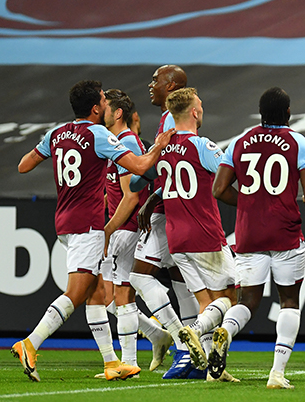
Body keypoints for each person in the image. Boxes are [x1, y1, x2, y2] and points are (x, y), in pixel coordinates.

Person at [12, 80, 175, 382]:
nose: (105, 102)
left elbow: (23, 166)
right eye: (102, 98)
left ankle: (112, 363)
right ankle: (30, 343)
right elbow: (139, 166)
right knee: (77, 293)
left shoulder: (56, 134)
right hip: (88, 224)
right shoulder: (98, 134)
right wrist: (159, 148)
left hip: (63, 221)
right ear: (96, 108)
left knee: (97, 293)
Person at [210, 87, 305, 389]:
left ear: (260, 113)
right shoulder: (300, 144)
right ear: (288, 113)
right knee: (289, 300)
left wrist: (248, 202)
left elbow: (218, 189)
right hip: (284, 232)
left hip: (249, 233)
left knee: (247, 300)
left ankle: (227, 332)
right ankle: (277, 373)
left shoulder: (239, 142)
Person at [133, 88, 239, 380]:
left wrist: (154, 196)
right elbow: (228, 177)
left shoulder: (162, 148)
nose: (202, 109)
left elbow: (136, 182)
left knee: (206, 303)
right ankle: (191, 331)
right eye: (200, 105)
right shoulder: (202, 146)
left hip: (176, 239)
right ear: (193, 111)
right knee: (231, 298)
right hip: (204, 234)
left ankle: (213, 371)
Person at [129, 64, 206, 379]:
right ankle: (193, 356)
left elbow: (163, 167)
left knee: (138, 277)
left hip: (167, 212)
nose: (150, 85)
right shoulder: (174, 118)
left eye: (155, 80)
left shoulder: (170, 120)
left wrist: (151, 191)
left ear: (171, 84)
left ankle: (178, 341)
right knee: (180, 282)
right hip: (179, 210)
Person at [98, 89, 173, 375]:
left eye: (106, 107)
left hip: (126, 229)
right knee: (110, 295)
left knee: (121, 295)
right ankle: (156, 336)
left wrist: (108, 229)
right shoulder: (118, 142)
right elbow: (119, 190)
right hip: (126, 228)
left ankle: (130, 360)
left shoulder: (126, 143)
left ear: (118, 113)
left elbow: (131, 196)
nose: (101, 110)